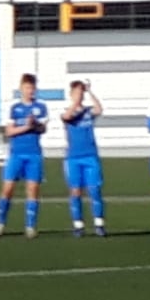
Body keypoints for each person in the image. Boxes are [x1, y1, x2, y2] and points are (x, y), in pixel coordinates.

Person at [0, 73, 48, 239]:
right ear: (21, 88)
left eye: (32, 88)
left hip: (34, 154)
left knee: (32, 190)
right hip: (16, 154)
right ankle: (0, 223)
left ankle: (30, 226)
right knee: (7, 189)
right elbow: (9, 131)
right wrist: (26, 127)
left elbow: (43, 129)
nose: (29, 91)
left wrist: (35, 124)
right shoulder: (15, 108)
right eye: (26, 87)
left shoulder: (41, 107)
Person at [62, 79, 106, 238]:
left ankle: (99, 223)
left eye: (81, 92)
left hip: (90, 156)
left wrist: (90, 92)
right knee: (75, 191)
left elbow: (99, 109)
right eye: (76, 92)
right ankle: (78, 225)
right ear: (71, 94)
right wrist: (75, 103)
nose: (79, 95)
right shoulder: (68, 111)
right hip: (73, 157)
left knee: (94, 190)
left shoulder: (88, 111)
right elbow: (66, 117)